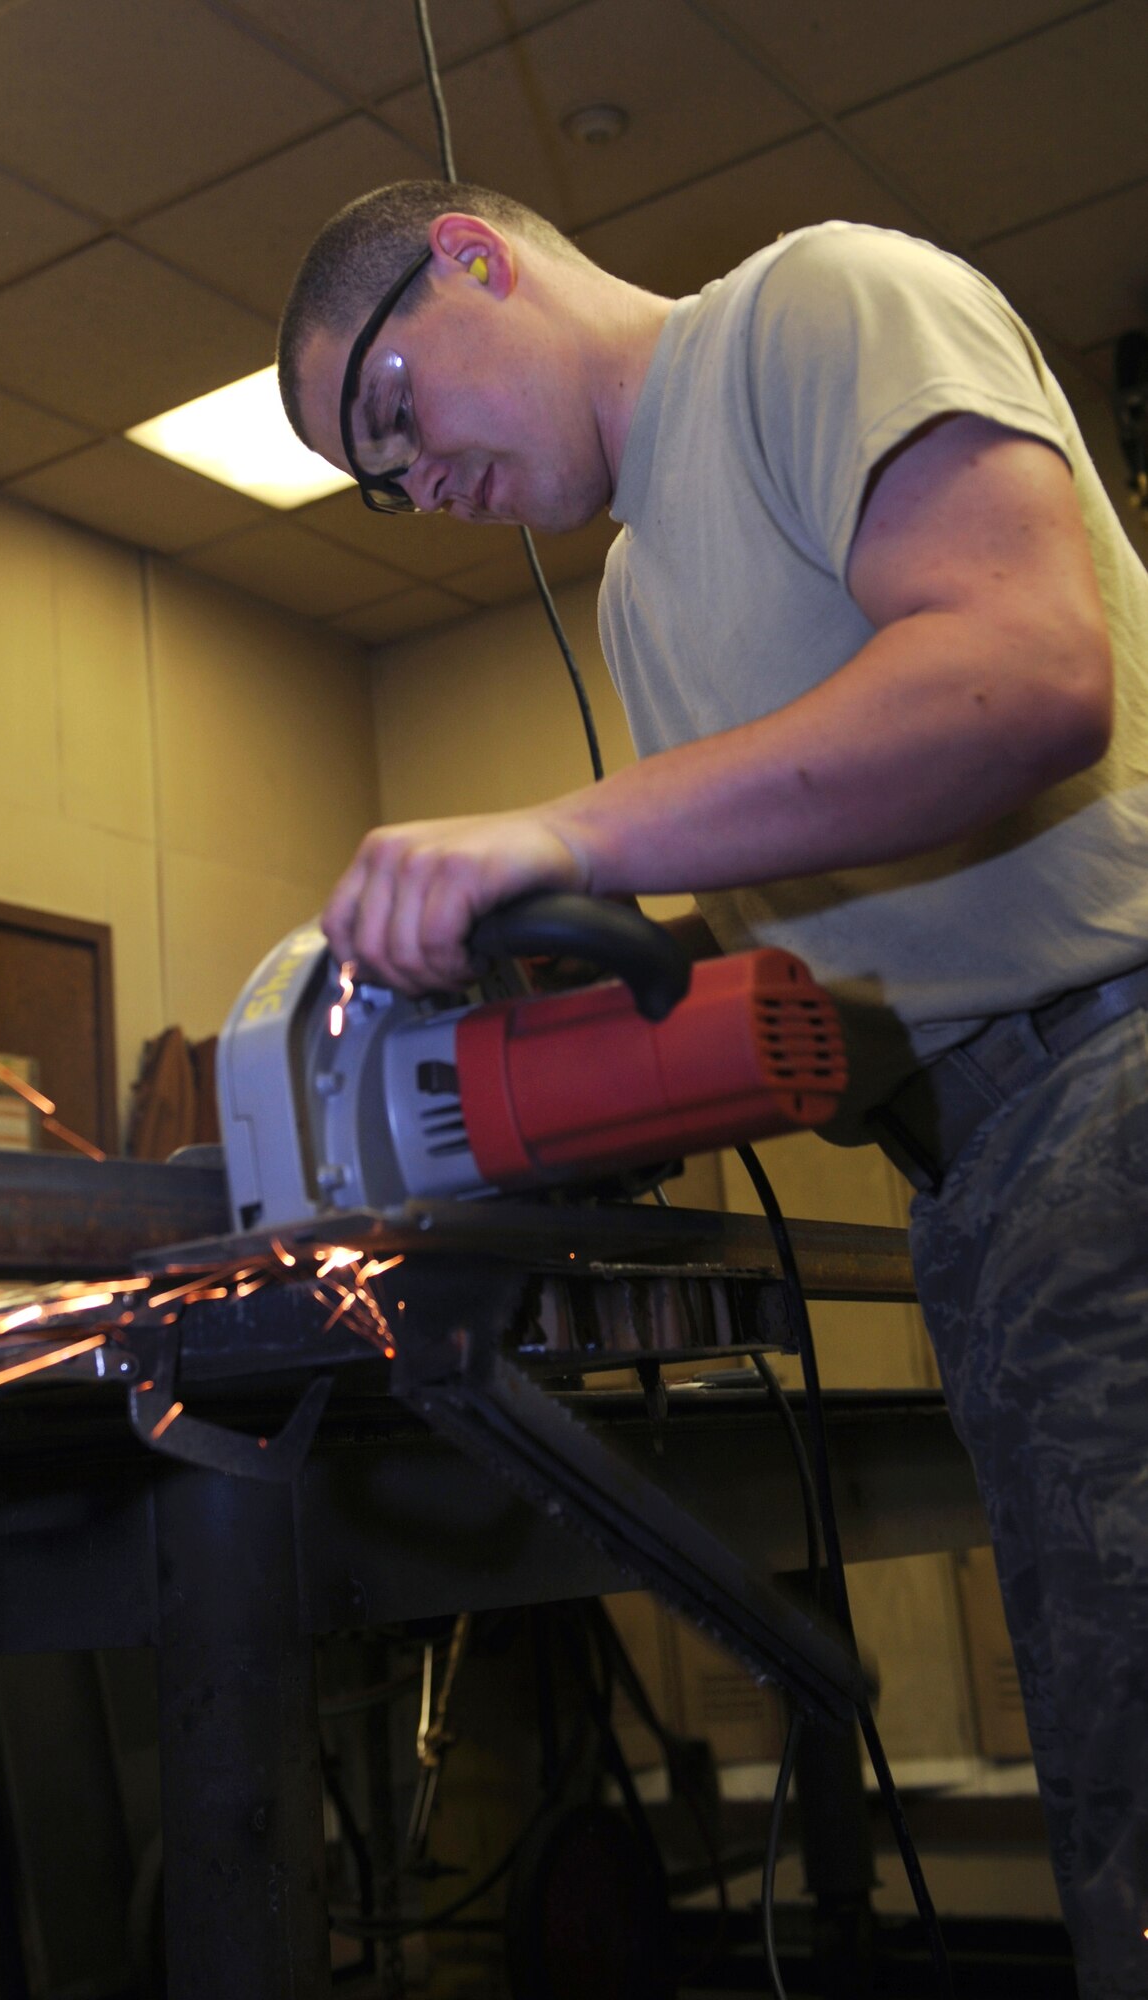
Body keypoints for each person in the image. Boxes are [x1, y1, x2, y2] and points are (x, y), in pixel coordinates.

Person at [278, 181, 1148, 1996]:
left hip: (1116, 1083)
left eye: (394, 417)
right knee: (1109, 1774)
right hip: (977, 1180)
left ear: (471, 255)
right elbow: (816, 877)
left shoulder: (817, 311)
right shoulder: (636, 592)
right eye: (375, 484)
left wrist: (556, 831)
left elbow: (1026, 665)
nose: (413, 487)